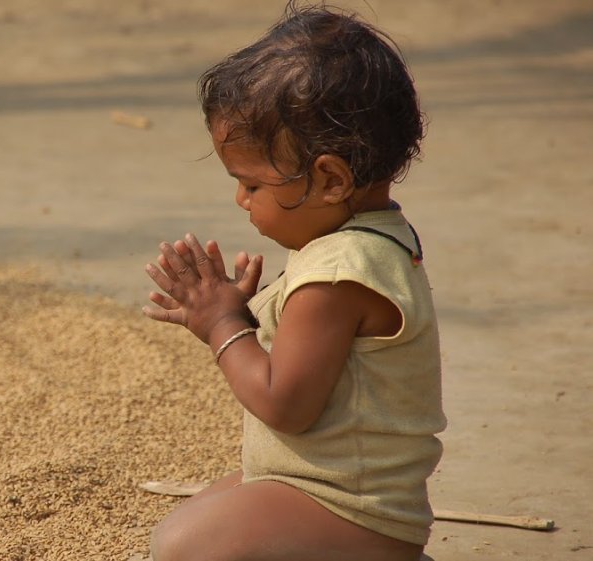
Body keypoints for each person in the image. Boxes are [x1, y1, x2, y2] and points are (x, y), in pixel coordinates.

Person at [141, 4, 446, 561]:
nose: (241, 201)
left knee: (182, 544)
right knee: (214, 506)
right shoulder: (371, 240)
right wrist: (252, 318)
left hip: (352, 510)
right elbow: (330, 368)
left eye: (252, 185)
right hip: (339, 493)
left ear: (330, 178)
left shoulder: (335, 275)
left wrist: (222, 325)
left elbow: (285, 405)